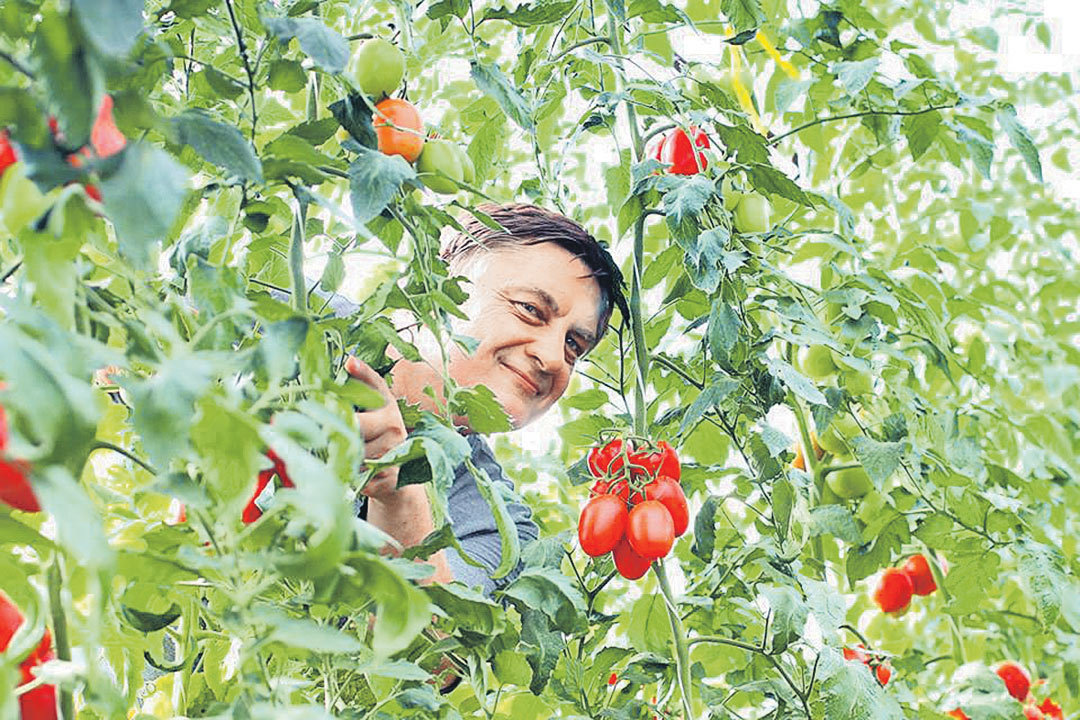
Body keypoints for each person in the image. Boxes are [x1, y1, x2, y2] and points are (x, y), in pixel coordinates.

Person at [342, 203, 626, 595]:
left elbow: (439, 641)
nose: (552, 357)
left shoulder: (498, 522)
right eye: (530, 309)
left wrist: (398, 498)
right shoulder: (286, 321)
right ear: (437, 286)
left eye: (573, 344)